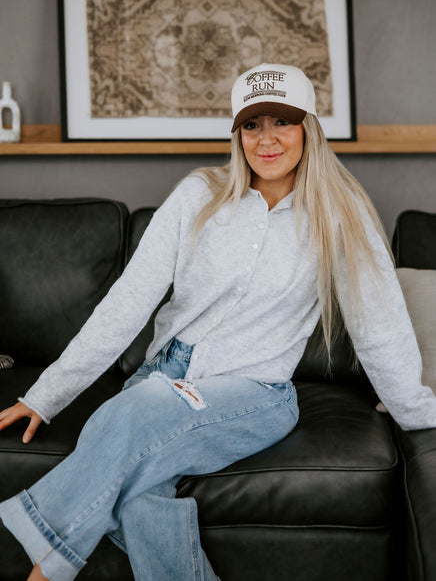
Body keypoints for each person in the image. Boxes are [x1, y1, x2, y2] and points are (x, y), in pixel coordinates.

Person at [1, 63, 436, 581]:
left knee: (124, 419)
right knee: (140, 492)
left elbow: (378, 322)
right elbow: (126, 304)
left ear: (309, 128)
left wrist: (417, 411)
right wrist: (44, 396)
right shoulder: (197, 195)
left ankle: (42, 571)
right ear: (237, 133)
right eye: (252, 125)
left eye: (283, 122)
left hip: (255, 391)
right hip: (162, 377)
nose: (266, 139)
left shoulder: (340, 213)